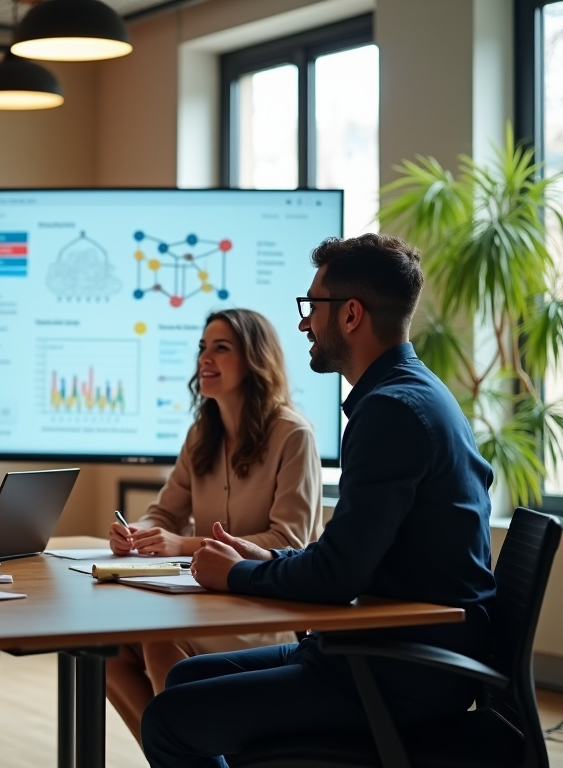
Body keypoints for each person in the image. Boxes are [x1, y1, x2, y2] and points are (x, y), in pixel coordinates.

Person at [140, 233, 497, 768]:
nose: (305, 323)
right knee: (185, 678)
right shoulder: (412, 394)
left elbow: (338, 577)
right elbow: (349, 553)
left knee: (168, 719)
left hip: (400, 670)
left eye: (313, 306)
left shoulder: (391, 412)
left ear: (350, 315)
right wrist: (267, 558)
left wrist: (235, 575)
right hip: (388, 649)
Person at [105, 308, 324, 745]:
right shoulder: (200, 435)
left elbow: (289, 542)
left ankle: (187, 752)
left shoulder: (292, 435)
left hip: (264, 609)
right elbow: (164, 514)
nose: (205, 357)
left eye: (221, 348)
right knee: (106, 653)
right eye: (203, 347)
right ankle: (181, 755)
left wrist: (181, 544)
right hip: (203, 604)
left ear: (255, 360)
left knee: (158, 642)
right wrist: (139, 533)